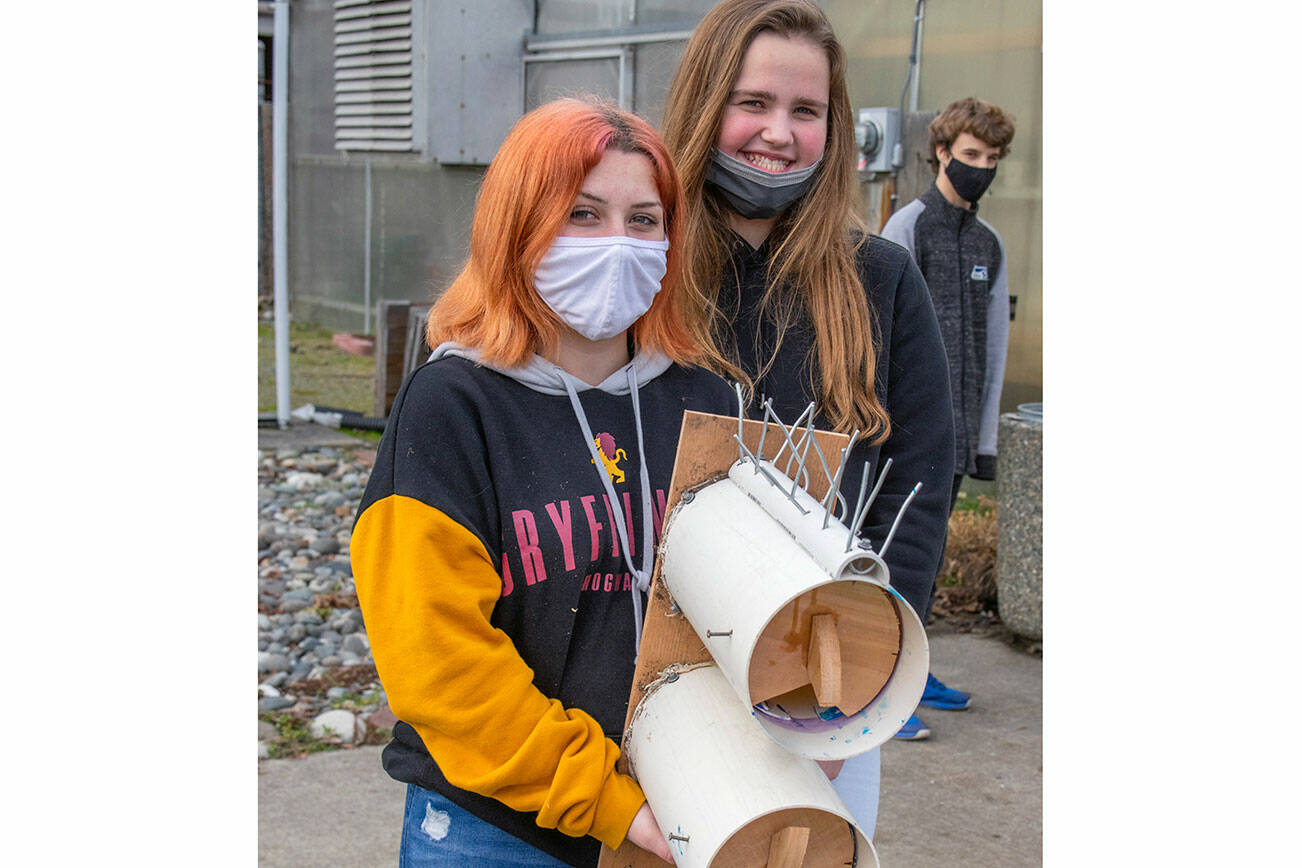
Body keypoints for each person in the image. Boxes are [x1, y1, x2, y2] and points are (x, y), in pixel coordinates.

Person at [350, 98, 737, 867]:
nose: (618, 245)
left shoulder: (703, 399)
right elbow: (442, 670)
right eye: (583, 215)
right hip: (494, 830)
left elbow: (729, 604)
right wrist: (611, 803)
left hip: (677, 799)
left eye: (644, 219)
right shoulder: (451, 406)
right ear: (518, 227)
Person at [660, 0, 956, 833]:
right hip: (656, 672)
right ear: (703, 102)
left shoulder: (882, 281)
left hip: (817, 682)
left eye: (806, 111)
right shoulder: (644, 267)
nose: (778, 134)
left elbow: (918, 487)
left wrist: (851, 693)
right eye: (752, 103)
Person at [880, 96, 1017, 728]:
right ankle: (880, 685)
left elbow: (994, 346)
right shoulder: (908, 228)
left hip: (959, 436)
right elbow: (874, 336)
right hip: (904, 435)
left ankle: (916, 668)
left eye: (991, 159)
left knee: (929, 558)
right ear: (942, 152)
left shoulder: (988, 243)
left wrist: (982, 439)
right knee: (892, 553)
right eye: (969, 156)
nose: (980, 168)